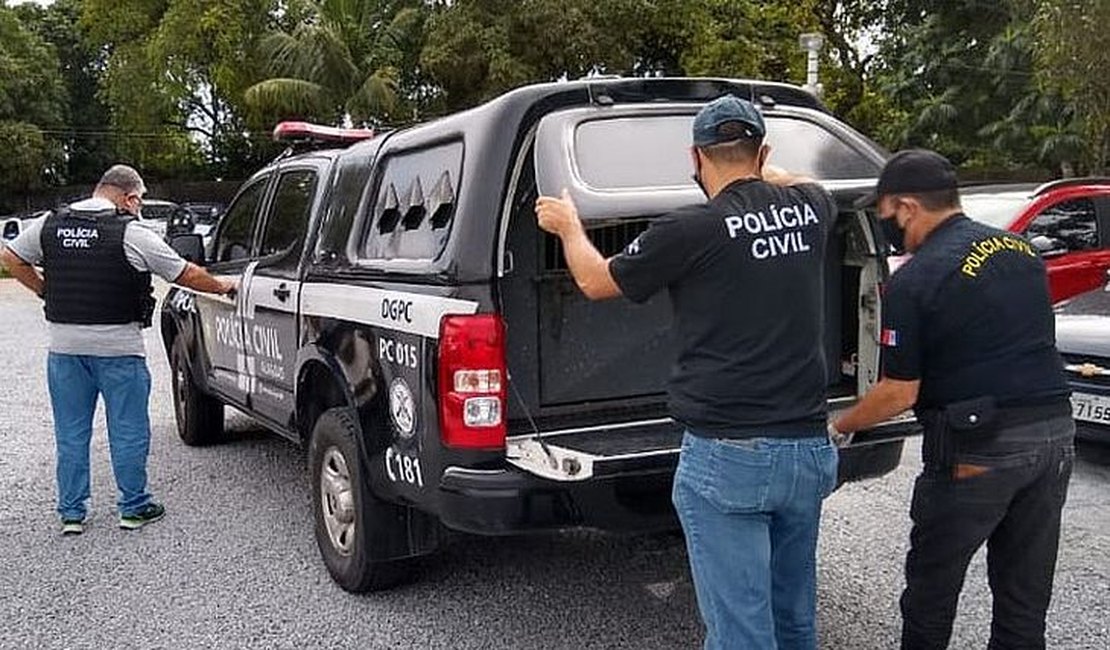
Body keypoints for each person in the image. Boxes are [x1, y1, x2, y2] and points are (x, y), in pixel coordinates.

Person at [535, 95, 840, 649]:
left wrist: (568, 227)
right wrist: (763, 172)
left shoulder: (688, 229)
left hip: (731, 457)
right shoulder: (814, 209)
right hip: (807, 450)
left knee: (740, 632)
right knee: (793, 619)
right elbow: (793, 181)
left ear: (695, 157)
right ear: (762, 149)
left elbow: (596, 281)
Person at [831, 149, 1074, 649]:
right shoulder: (1021, 252)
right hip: (1054, 437)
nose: (888, 230)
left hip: (978, 449)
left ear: (907, 206)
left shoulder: (916, 279)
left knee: (931, 595)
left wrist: (840, 424)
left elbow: (899, 392)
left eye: (886, 217)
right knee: (1023, 601)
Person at [0, 165, 236, 535]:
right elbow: (184, 273)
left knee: (71, 433)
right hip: (119, 352)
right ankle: (134, 507)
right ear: (130, 198)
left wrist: (44, 290)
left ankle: (72, 514)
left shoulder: (50, 223)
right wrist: (222, 286)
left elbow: (11, 258)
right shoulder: (130, 233)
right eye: (138, 202)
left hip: (64, 351)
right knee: (127, 430)